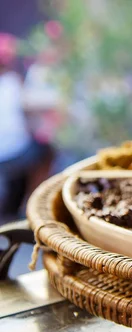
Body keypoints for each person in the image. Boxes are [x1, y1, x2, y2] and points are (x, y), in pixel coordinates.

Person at [0, 33, 41, 218]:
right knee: (43, 149)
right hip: (15, 152)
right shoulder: (12, 82)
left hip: (6, 154)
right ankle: (34, 202)